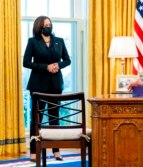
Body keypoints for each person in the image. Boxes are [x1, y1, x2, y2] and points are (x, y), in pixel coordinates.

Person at [23, 16, 71, 162]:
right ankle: (33, 151)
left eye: (50, 24)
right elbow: (26, 62)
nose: (48, 27)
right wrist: (45, 67)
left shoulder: (59, 41)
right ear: (39, 27)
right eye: (45, 25)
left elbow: (67, 60)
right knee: (37, 119)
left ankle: (56, 151)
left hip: (55, 85)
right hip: (38, 85)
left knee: (54, 117)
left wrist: (57, 65)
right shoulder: (33, 42)